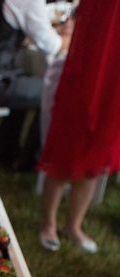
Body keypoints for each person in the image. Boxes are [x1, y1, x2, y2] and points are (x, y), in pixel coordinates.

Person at [38, 0, 120, 253]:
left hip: (115, 82)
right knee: (65, 148)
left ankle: (74, 225)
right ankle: (49, 223)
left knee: (97, 155)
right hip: (85, 70)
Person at [0, 0, 70, 167]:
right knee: (53, 89)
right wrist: (67, 38)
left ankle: (6, 149)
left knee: (28, 79)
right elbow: (51, 46)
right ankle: (31, 161)